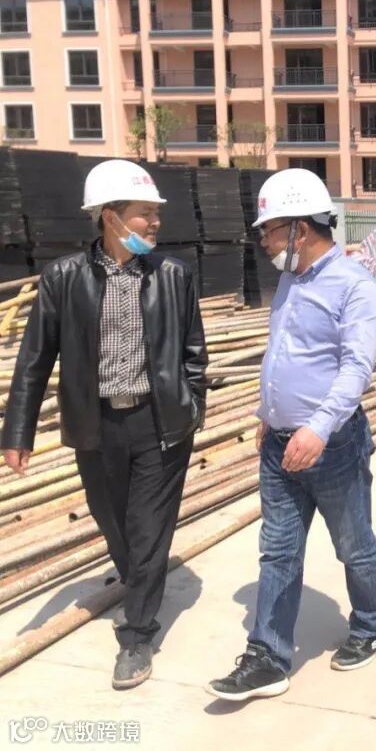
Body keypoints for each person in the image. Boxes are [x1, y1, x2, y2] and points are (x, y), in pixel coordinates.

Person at [1, 159, 207, 690]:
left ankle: (137, 635)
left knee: (147, 529)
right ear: (110, 217)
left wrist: (192, 407)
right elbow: (34, 359)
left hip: (161, 424)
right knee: (113, 521)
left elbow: (193, 354)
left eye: (156, 213)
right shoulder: (64, 278)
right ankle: (137, 579)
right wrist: (18, 432)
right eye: (144, 214)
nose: (155, 222)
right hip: (96, 426)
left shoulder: (173, 276)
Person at [208, 169, 376, 701]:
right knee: (278, 550)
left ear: (300, 229)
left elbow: (356, 367)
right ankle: (267, 656)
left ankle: (372, 624)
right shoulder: (291, 279)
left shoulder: (354, 285)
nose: (264, 242)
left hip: (332, 445)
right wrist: (269, 411)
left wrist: (317, 427)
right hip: (278, 444)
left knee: (353, 546)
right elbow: (284, 350)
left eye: (269, 231)